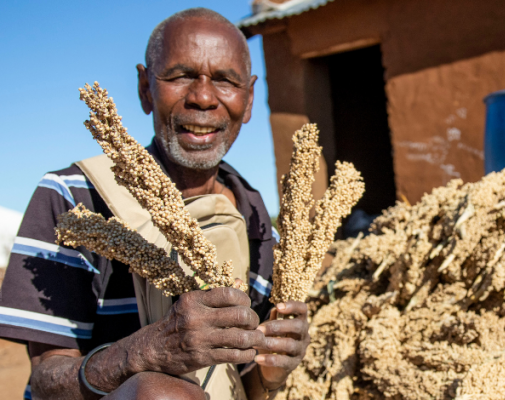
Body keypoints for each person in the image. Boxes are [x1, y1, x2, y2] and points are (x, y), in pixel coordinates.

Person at [0, 8, 309, 400]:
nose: (202, 97)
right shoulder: (74, 199)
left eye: (226, 81)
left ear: (248, 100)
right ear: (146, 89)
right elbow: (47, 382)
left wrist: (270, 371)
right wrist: (143, 353)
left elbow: (237, 384)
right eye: (180, 76)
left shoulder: (257, 222)